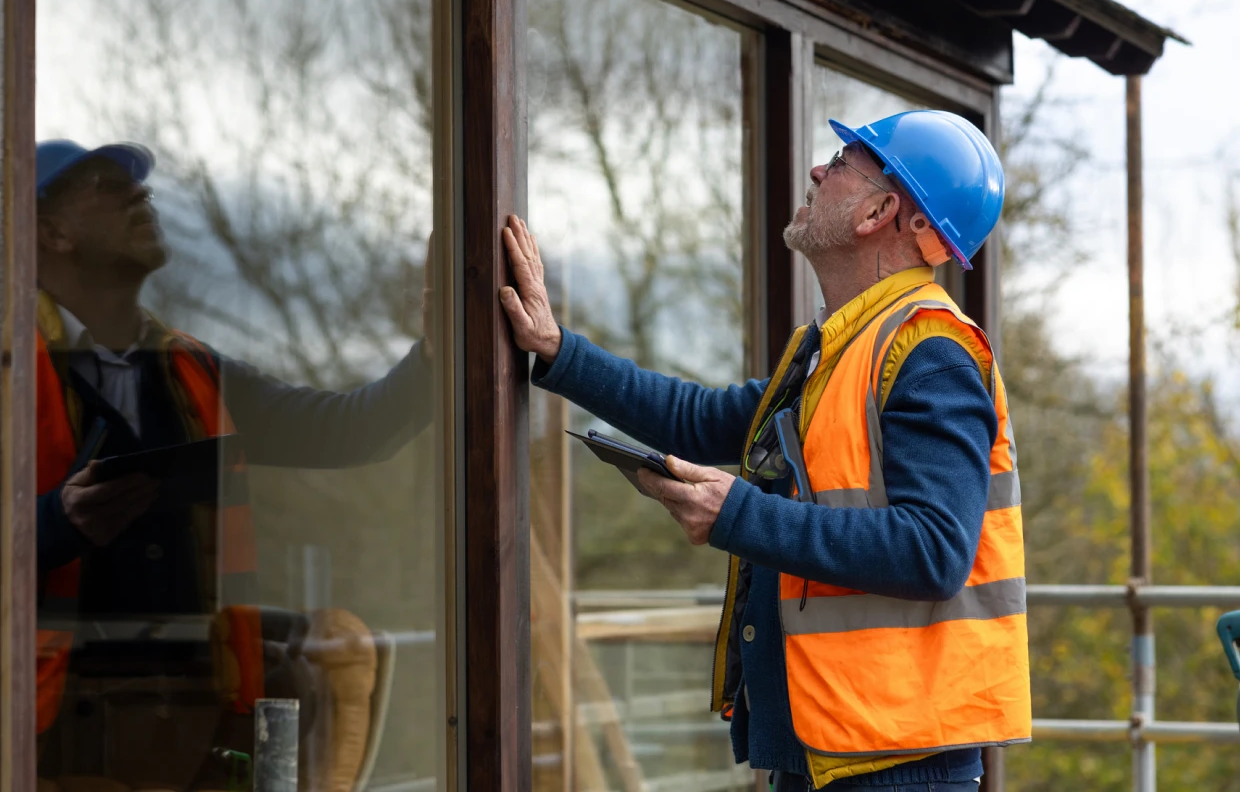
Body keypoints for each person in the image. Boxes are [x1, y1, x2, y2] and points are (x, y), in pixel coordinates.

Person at [500, 110, 1030, 790]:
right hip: (837, 747)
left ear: (881, 210)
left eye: (841, 163)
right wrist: (555, 349)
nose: (818, 170)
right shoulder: (836, 353)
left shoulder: (931, 355)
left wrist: (739, 514)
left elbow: (934, 552)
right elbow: (695, 419)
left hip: (895, 764)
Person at [33, 140, 435, 789]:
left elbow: (351, 432)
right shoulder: (10, 368)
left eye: (136, 185)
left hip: (195, 734)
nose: (140, 194)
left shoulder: (192, 365)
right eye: (106, 186)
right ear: (51, 232)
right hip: (52, 739)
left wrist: (438, 355)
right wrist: (57, 521)